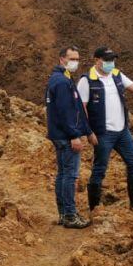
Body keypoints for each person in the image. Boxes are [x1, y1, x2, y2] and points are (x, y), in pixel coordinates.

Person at [77, 47, 133, 211]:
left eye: (112, 60)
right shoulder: (87, 80)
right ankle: (95, 207)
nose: (110, 63)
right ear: (96, 60)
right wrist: (88, 132)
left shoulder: (117, 75)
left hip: (122, 131)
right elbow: (81, 107)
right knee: (100, 168)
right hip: (103, 133)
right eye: (106, 60)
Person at [45, 46, 96, 229]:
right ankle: (69, 215)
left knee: (62, 174)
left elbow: (75, 110)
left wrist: (88, 131)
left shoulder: (61, 79)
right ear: (61, 59)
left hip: (59, 134)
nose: (75, 62)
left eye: (77, 59)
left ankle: (63, 213)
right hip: (65, 136)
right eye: (71, 58)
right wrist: (75, 135)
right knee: (70, 175)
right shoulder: (61, 82)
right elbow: (67, 113)